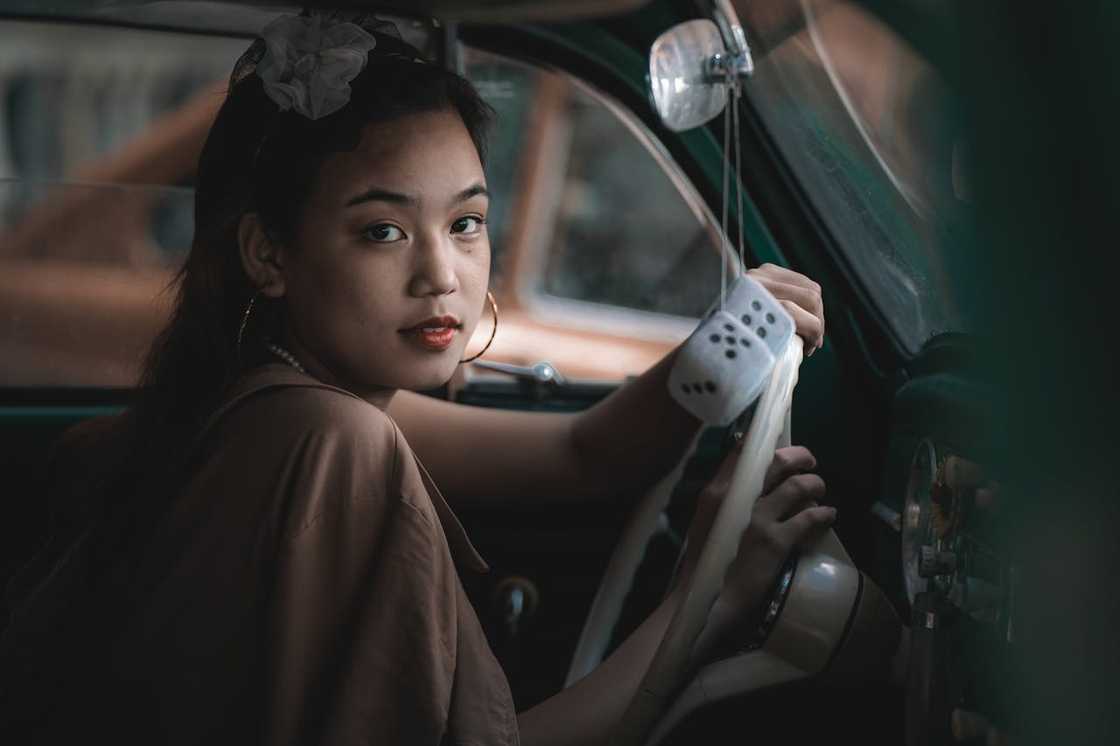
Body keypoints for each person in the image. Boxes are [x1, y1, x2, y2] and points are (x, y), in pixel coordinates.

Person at [0, 12, 832, 745]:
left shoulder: (277, 402)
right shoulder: (331, 439)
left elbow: (583, 456)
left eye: (466, 222)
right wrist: (710, 598)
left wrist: (717, 347)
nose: (443, 275)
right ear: (268, 253)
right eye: (383, 231)